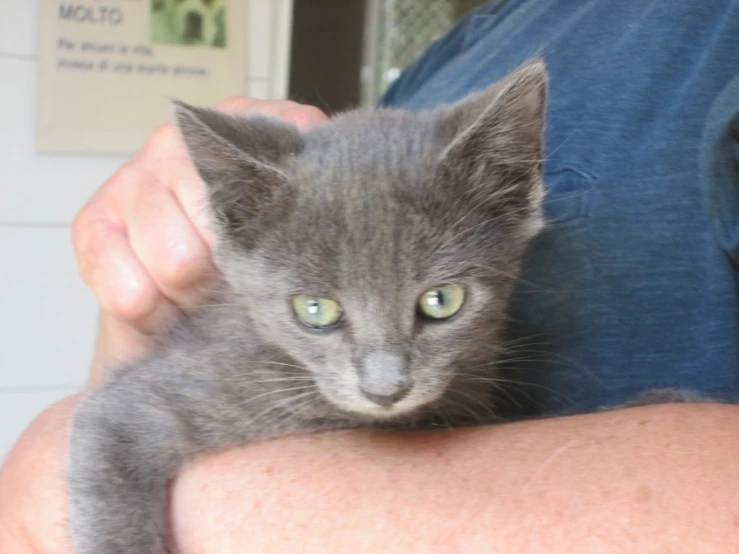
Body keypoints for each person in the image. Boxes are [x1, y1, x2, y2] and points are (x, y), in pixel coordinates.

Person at [2, 0, 739, 551]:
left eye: (438, 303)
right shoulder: (467, 44)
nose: (384, 378)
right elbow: (117, 419)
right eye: (320, 313)